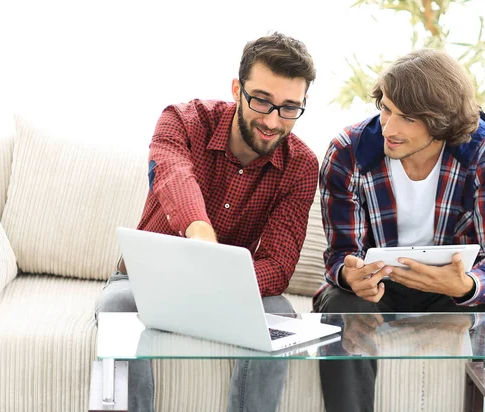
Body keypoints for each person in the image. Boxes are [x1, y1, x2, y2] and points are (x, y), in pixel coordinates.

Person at [94, 32, 318, 412]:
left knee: (281, 315)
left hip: (235, 291)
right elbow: (173, 176)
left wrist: (220, 281)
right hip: (145, 283)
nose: (272, 120)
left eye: (289, 108)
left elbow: (279, 266)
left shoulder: (301, 166)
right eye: (262, 100)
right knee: (114, 309)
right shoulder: (181, 121)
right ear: (237, 89)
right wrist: (200, 232)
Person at [314, 48, 485, 412]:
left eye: (407, 118)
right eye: (386, 109)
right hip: (379, 291)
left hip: (450, 291)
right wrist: (350, 276)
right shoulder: (347, 152)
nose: (389, 128)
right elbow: (340, 253)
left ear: (442, 121)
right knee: (339, 304)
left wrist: (468, 284)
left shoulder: (483, 153)